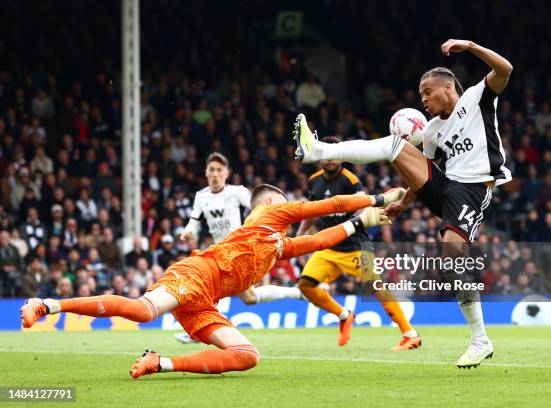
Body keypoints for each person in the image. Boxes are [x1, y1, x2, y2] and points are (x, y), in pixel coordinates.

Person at [21, 184, 404, 378]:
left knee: (247, 357)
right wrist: (374, 198)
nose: (291, 209)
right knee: (142, 311)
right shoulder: (267, 217)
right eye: (284, 203)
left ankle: (160, 363)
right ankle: (47, 305)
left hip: (205, 301)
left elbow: (320, 240)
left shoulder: (277, 244)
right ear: (271, 203)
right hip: (195, 274)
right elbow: (330, 206)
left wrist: (362, 222)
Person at [292, 39, 513, 368]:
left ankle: (480, 339)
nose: (422, 99)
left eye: (427, 91)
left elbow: (505, 69)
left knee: (451, 257)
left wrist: (468, 46)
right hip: (447, 186)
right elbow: (422, 172)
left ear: (448, 86)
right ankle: (318, 151)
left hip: (473, 190)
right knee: (396, 145)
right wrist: (404, 204)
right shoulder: (434, 131)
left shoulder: (476, 98)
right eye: (421, 94)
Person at [296, 136, 420, 350]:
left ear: (341, 158)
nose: (330, 160)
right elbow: (310, 214)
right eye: (327, 156)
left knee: (376, 287)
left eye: (334, 155)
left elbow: (363, 207)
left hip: (355, 246)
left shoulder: (350, 180)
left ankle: (410, 334)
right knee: (306, 286)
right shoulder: (314, 181)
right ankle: (344, 315)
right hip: (329, 248)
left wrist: (354, 221)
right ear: (320, 158)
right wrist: (299, 239)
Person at [175, 152, 303, 344]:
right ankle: (298, 292)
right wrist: (188, 232)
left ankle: (201, 329)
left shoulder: (237, 192)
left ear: (226, 173)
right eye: (212, 170)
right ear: (206, 172)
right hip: (220, 251)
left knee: (209, 289)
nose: (215, 174)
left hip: (240, 250)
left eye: (219, 170)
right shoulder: (201, 197)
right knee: (249, 298)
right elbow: (194, 221)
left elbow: (259, 207)